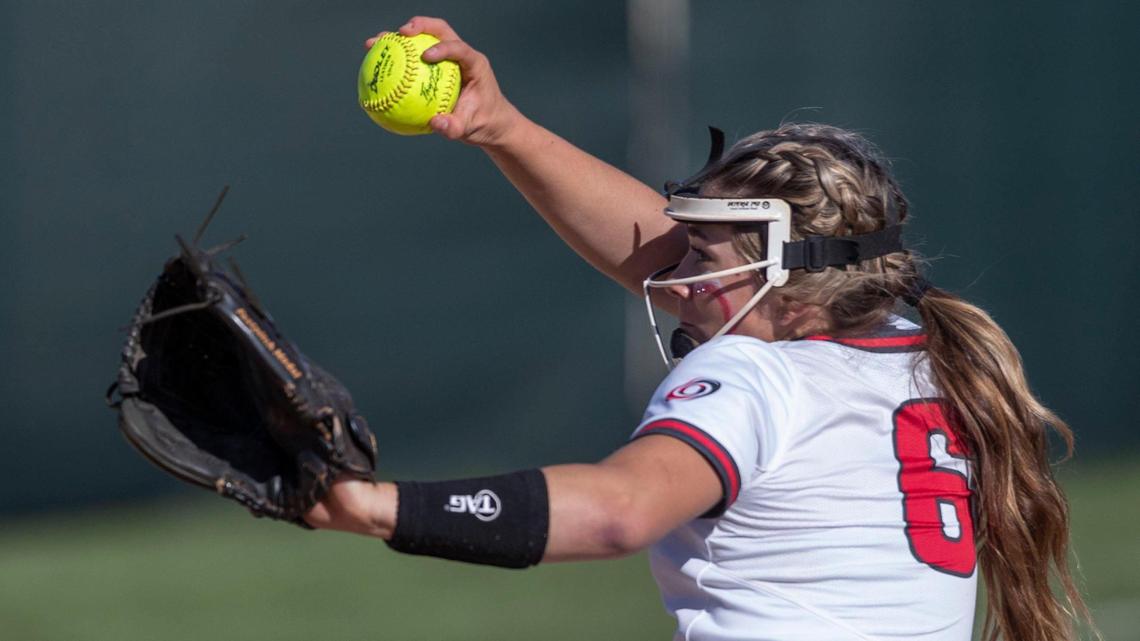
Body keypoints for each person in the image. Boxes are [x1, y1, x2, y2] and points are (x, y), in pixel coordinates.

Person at [305, 17, 1090, 641]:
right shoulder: (912, 351)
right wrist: (501, 126)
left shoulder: (757, 376)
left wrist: (378, 508)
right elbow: (686, 246)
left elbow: (620, 509)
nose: (677, 276)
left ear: (788, 276)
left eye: (700, 256)